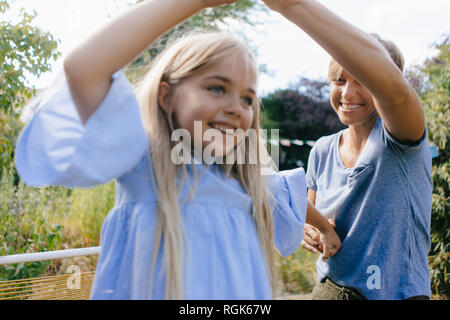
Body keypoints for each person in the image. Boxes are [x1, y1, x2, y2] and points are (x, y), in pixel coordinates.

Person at [15, 0, 341, 299]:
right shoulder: (146, 161)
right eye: (217, 87)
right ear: (166, 95)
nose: (236, 108)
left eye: (247, 99)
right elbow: (84, 68)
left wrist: (325, 229)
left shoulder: (244, 177)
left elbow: (284, 191)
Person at [262, 0, 432, 299]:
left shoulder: (401, 137)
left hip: (396, 293)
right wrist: (313, 232)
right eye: (339, 80)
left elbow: (393, 91)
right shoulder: (323, 150)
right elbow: (313, 216)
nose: (348, 93)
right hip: (330, 289)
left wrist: (290, 6)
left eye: (363, 81)